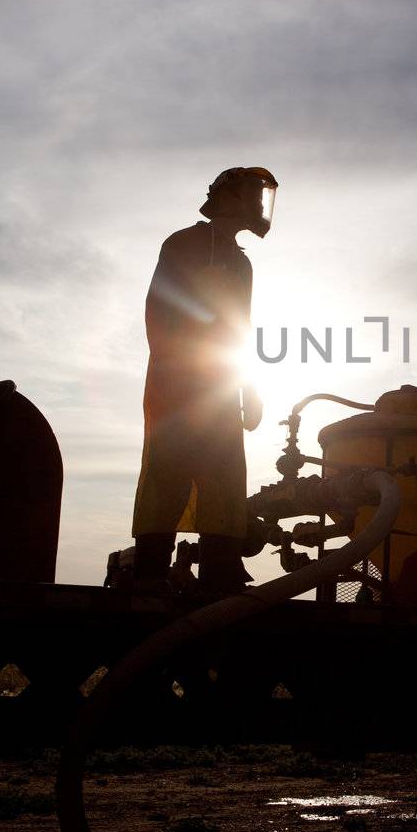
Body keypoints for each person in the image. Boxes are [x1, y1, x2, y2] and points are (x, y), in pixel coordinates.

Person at [131, 167, 278, 593]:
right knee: (167, 471)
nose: (258, 205)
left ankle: (221, 572)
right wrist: (178, 370)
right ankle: (150, 573)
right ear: (228, 199)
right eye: (252, 196)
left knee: (225, 475)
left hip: (220, 389)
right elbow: (159, 311)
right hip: (175, 384)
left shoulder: (242, 264)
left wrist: (249, 387)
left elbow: (241, 329)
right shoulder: (182, 244)